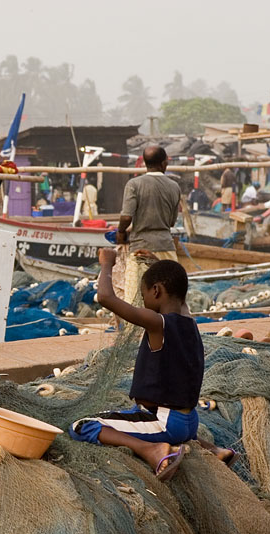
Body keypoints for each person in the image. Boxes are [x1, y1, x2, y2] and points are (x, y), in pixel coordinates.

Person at [70, 249, 235, 480]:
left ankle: (151, 450)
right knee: (130, 414)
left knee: (82, 425)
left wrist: (107, 263)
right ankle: (214, 450)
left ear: (156, 290)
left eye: (144, 294)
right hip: (189, 423)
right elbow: (176, 289)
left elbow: (106, 297)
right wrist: (157, 264)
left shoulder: (158, 324)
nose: (143, 301)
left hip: (163, 422)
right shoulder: (190, 322)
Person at [114, 145, 181, 304]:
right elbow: (171, 222)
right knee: (171, 295)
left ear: (145, 163)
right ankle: (170, 328)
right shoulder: (174, 186)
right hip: (165, 247)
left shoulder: (134, 184)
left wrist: (121, 232)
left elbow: (126, 217)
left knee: (136, 299)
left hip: (140, 248)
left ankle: (137, 329)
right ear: (164, 163)